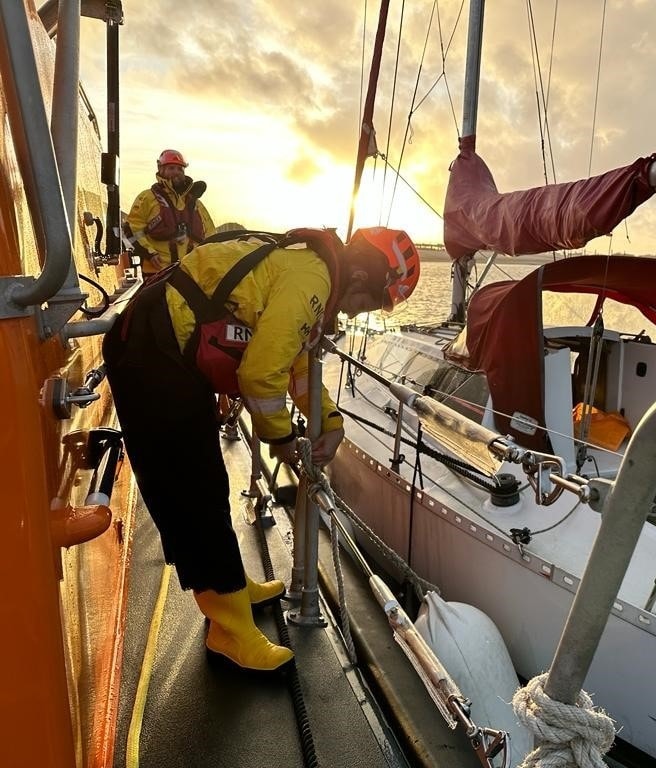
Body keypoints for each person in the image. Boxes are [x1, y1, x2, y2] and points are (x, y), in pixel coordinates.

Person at [103, 226, 421, 670]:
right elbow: (259, 376)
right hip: (150, 351)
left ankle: (231, 588)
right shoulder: (313, 280)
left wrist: (330, 420)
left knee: (209, 483)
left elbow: (294, 362)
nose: (358, 313)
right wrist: (284, 440)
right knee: (191, 490)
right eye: (370, 302)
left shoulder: (315, 274)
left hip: (170, 352)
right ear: (362, 276)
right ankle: (229, 630)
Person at [125, 149, 215, 275]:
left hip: (191, 274)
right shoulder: (147, 198)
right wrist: (149, 253)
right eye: (171, 168)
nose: (176, 172)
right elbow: (132, 229)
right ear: (161, 169)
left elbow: (211, 236)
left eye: (180, 169)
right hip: (157, 273)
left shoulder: (196, 204)